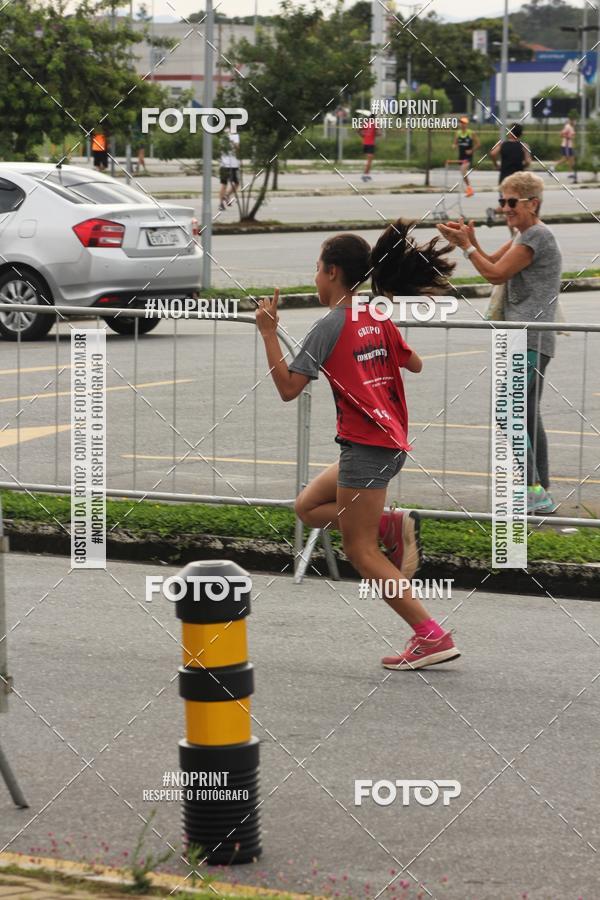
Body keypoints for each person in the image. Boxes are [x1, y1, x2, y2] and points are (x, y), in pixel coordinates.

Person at [255, 221, 461, 671]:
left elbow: (289, 388)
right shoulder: (376, 315)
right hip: (376, 443)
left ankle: (431, 636)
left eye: (316, 269)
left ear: (331, 272)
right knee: (308, 506)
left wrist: (269, 333)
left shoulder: (329, 325)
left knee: (360, 552)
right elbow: (417, 364)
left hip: (369, 447)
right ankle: (389, 525)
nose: (314, 278)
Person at [436, 172, 562, 515]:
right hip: (527, 338)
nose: (504, 208)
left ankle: (532, 489)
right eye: (501, 201)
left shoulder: (536, 236)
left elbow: (495, 274)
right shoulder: (526, 234)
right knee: (526, 414)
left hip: (529, 337)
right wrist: (471, 241)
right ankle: (539, 490)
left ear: (532, 203)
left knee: (510, 412)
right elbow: (493, 263)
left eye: (511, 202)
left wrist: (467, 247)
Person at [490, 123, 531, 234]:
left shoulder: (502, 144)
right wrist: (523, 166)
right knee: (517, 206)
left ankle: (512, 233)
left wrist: (496, 164)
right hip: (518, 181)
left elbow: (493, 153)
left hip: (504, 180)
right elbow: (528, 161)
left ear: (510, 133)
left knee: (509, 207)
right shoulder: (524, 146)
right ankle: (515, 235)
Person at [453, 116, 479, 197]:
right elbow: (455, 143)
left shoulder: (471, 133)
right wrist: (454, 146)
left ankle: (469, 189)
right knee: (463, 173)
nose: (462, 124)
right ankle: (469, 189)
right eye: (461, 123)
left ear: (467, 124)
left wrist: (471, 150)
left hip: (468, 157)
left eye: (464, 123)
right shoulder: (458, 133)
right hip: (461, 156)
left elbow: (478, 144)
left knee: (463, 171)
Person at [218, 128, 240, 211]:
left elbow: (237, 148)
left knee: (237, 183)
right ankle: (220, 203)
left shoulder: (235, 137)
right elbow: (221, 150)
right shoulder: (222, 140)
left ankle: (227, 195)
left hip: (234, 164)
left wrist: (232, 141)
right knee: (224, 184)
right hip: (224, 165)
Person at [553, 117, 577, 182]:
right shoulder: (568, 127)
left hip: (569, 146)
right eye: (574, 120)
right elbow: (561, 134)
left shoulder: (571, 127)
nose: (575, 122)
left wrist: (571, 137)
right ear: (571, 121)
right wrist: (568, 137)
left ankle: (571, 173)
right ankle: (553, 167)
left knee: (572, 159)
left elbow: (572, 136)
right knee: (566, 158)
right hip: (566, 145)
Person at [359, 117, 380, 182]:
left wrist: (363, 135)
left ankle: (367, 174)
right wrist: (378, 132)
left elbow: (358, 130)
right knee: (369, 161)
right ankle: (364, 175)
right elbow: (378, 133)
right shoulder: (375, 124)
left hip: (365, 144)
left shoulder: (366, 123)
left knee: (369, 161)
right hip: (370, 144)